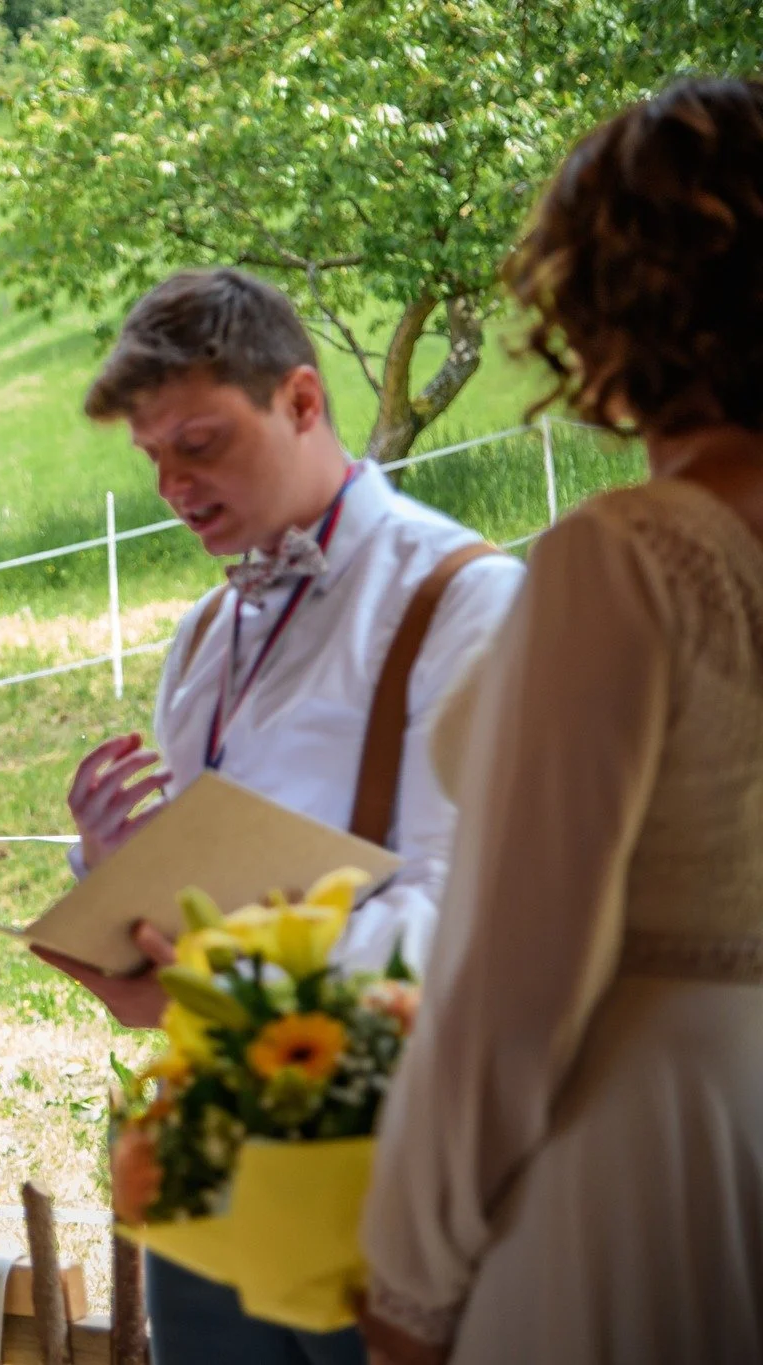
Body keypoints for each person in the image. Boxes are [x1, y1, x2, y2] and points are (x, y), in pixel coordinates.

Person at [35, 267, 524, 1364]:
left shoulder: (467, 603)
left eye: (198, 444)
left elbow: (475, 918)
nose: (170, 484)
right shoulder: (204, 635)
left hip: (384, 1147)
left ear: (302, 403)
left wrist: (219, 965)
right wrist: (113, 874)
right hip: (209, 1148)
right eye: (151, 458)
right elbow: (212, 865)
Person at [359, 78, 763, 1365]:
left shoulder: (630, 559)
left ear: (607, 296)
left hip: (640, 1153)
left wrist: (408, 1280)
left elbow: (516, 977)